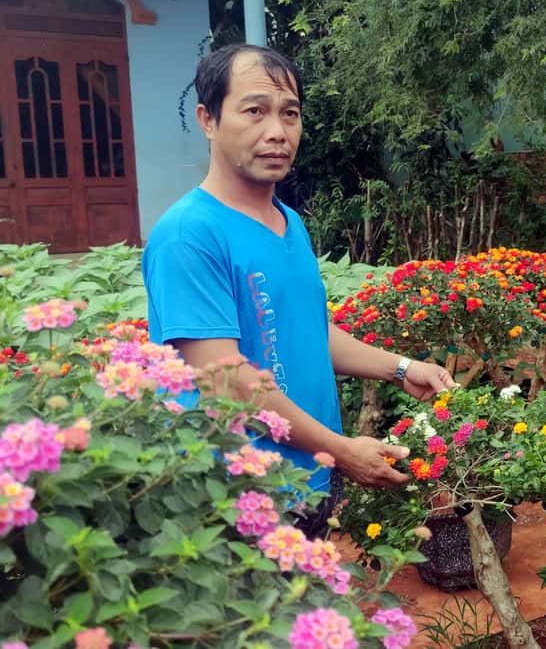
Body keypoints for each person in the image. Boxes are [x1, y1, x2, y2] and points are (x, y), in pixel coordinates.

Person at [142, 44, 457, 533]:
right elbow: (224, 382)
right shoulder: (189, 235)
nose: (277, 132)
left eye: (290, 114)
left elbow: (308, 331)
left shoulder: (287, 223)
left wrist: (402, 368)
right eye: (254, 111)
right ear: (208, 119)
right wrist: (343, 449)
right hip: (239, 500)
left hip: (308, 476)